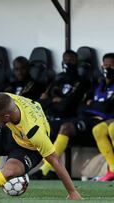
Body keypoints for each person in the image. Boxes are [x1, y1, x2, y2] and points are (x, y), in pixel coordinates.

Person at [34, 50, 90, 178]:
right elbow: (39, 102)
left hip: (67, 119)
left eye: (71, 60)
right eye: (65, 60)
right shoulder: (58, 79)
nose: (68, 63)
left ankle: (45, 169)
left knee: (63, 127)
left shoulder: (81, 82)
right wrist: (53, 100)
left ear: (77, 62)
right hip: (50, 118)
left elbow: (66, 105)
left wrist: (51, 101)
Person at [90, 53, 114, 181]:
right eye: (106, 66)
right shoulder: (100, 85)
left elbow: (107, 107)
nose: (108, 69)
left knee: (113, 128)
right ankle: (112, 169)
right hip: (108, 119)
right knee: (98, 130)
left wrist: (95, 105)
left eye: (112, 66)